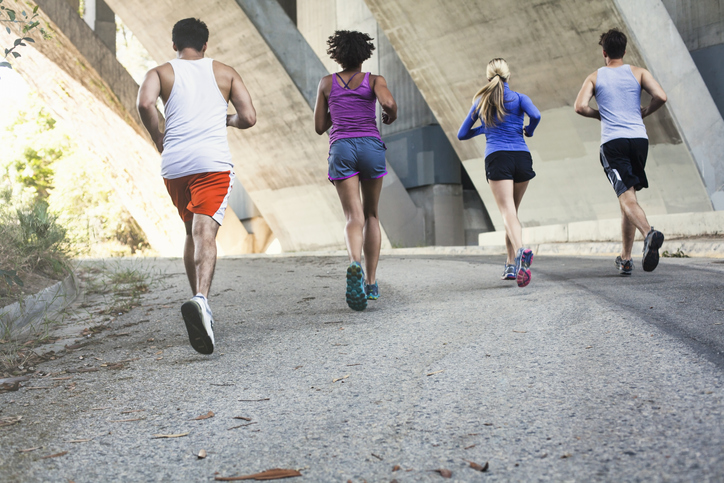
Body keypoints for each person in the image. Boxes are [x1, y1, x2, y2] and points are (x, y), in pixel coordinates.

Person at [137, 18, 256, 354]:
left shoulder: (160, 73)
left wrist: (158, 136)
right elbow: (248, 117)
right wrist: (227, 118)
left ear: (174, 44)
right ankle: (201, 299)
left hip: (174, 165)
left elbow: (145, 104)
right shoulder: (225, 72)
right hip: (211, 163)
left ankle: (199, 303)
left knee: (192, 232)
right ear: (205, 45)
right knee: (206, 233)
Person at [313, 30, 397, 311]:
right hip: (371, 147)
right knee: (372, 214)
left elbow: (319, 126)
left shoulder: (326, 83)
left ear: (338, 56)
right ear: (364, 54)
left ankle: (354, 265)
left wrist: (338, 112)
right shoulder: (374, 80)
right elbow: (388, 103)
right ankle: (371, 283)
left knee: (353, 215)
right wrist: (389, 114)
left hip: (342, 149)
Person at [575, 28, 666, 276]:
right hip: (639, 140)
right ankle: (625, 259)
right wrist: (645, 111)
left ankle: (649, 234)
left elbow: (580, 106)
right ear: (624, 51)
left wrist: (600, 115)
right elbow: (661, 96)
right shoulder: (638, 72)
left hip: (613, 142)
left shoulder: (595, 77)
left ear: (604, 53)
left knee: (626, 197)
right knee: (627, 197)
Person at [457, 58, 541, 287]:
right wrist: (529, 131)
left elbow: (462, 134)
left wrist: (482, 129)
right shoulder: (521, 98)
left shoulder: (481, 101)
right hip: (522, 158)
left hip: (498, 157)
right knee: (512, 213)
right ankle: (511, 265)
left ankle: (521, 250)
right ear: (508, 75)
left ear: (488, 77)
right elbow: (536, 116)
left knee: (507, 213)